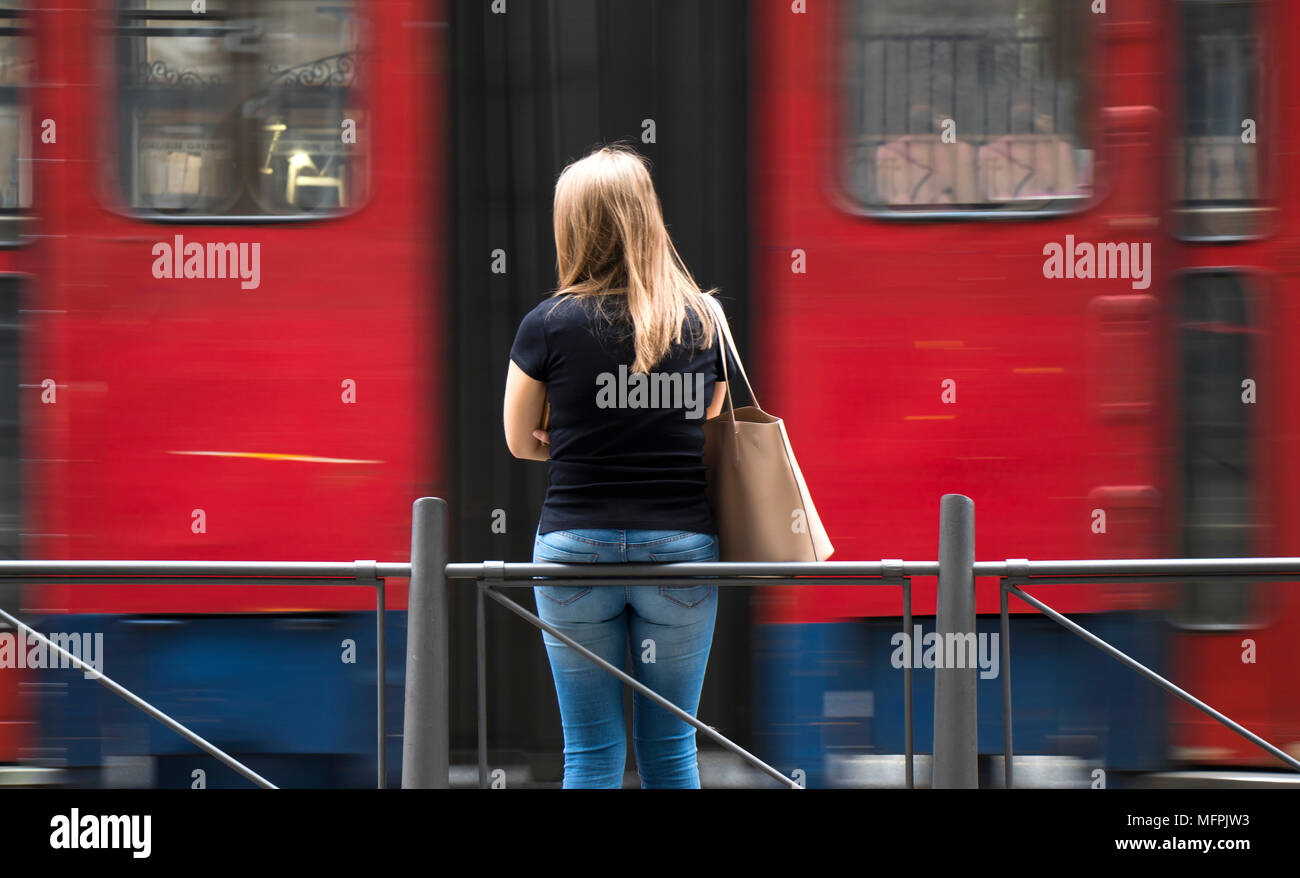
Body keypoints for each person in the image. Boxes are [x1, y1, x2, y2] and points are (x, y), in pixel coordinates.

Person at [502, 144, 728, 788]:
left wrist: (577, 439)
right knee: (673, 751)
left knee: (590, 752)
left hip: (573, 554)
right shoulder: (702, 320)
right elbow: (706, 428)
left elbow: (519, 441)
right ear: (648, 217)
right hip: (679, 553)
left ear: (571, 225)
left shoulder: (546, 325)